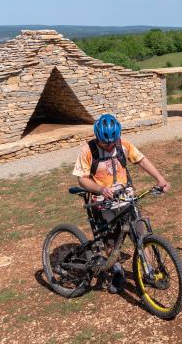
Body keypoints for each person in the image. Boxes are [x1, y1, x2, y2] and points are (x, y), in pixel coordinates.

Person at [72, 113, 170, 292]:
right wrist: (100, 189)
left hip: (126, 198)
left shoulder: (124, 145)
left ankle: (149, 271)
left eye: (112, 142)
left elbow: (142, 160)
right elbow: (82, 180)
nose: (109, 146)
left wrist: (160, 178)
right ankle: (117, 272)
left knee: (140, 236)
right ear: (97, 137)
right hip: (102, 203)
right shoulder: (87, 150)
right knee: (111, 243)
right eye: (104, 143)